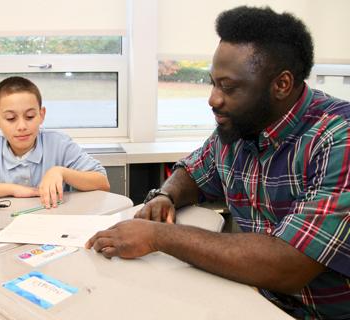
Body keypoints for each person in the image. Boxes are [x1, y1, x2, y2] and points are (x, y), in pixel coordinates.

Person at [86, 6, 350, 319]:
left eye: (228, 86)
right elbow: (194, 171)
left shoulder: (337, 138)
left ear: (281, 85)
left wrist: (156, 236)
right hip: (254, 299)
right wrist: (166, 195)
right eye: (212, 83)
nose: (213, 99)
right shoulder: (242, 122)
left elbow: (290, 264)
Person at [0, 76, 110, 208]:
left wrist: (61, 172)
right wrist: (13, 189)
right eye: (11, 118)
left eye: (30, 117)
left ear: (41, 115)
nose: (22, 126)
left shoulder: (59, 144)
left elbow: (102, 182)